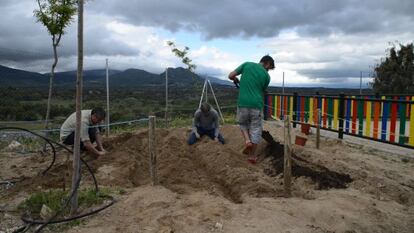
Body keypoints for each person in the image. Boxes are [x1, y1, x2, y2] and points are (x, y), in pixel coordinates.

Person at [228, 55, 275, 163]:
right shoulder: (267, 77)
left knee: (243, 123)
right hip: (257, 105)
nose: (268, 70)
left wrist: (236, 79)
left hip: (243, 103)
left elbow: (230, 75)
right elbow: (261, 90)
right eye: (269, 68)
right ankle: (252, 156)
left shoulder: (246, 64)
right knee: (256, 129)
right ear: (267, 63)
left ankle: (247, 140)